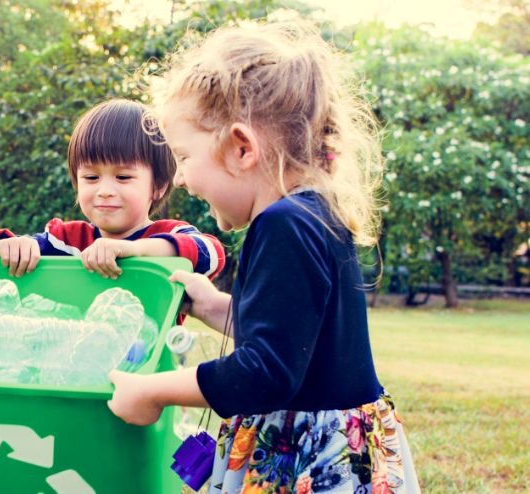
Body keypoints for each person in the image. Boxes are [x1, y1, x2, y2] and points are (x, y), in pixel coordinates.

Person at [107, 23, 420, 493]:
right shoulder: (313, 211)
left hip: (310, 461)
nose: (185, 180)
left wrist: (152, 391)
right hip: (338, 446)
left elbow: (267, 371)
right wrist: (212, 304)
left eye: (185, 158)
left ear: (241, 148)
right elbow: (293, 339)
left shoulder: (283, 224)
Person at [0, 98, 226, 281]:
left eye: (122, 176)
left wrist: (135, 250)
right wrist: (12, 247)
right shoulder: (68, 242)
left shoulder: (167, 234)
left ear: (158, 186)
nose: (105, 190)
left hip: (152, 352)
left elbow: (211, 254)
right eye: (91, 177)